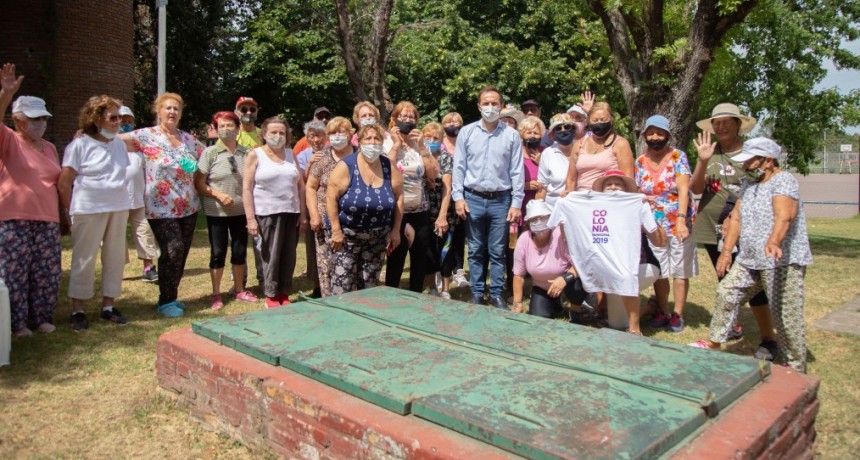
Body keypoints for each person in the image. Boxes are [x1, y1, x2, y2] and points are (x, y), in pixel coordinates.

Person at [689, 138, 812, 373]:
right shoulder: (748, 184)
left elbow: (784, 215)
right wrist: (726, 252)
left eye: (749, 162)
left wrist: (774, 241)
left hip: (782, 261)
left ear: (767, 161)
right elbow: (736, 217)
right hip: (749, 258)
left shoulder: (784, 180)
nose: (744, 166)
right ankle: (714, 342)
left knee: (786, 315)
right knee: (727, 292)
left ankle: (794, 367)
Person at [689, 103, 774, 353]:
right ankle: (731, 326)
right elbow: (695, 189)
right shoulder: (709, 152)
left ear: (739, 125)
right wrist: (703, 161)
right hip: (711, 227)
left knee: (752, 283)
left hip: (746, 229)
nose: (722, 126)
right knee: (725, 278)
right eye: (717, 122)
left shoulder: (752, 154)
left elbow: (764, 188)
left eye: (727, 121)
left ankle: (769, 339)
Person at [549, 170, 667, 335]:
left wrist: (649, 212)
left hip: (640, 266)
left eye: (618, 184)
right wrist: (567, 200)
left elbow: (661, 243)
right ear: (601, 189)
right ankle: (621, 307)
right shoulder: (591, 210)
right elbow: (568, 235)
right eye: (608, 184)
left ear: (625, 189)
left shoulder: (633, 206)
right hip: (608, 266)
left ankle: (637, 326)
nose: (613, 188)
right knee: (615, 322)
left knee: (625, 278)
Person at [120, 93, 202, 318]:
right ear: (159, 111)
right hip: (161, 207)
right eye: (168, 108)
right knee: (172, 249)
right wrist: (93, 134)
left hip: (189, 206)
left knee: (181, 253)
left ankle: (171, 296)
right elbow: (114, 141)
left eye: (176, 109)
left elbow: (207, 158)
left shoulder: (188, 140)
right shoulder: (146, 136)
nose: (172, 112)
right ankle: (165, 301)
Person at [58, 95, 132, 329]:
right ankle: (78, 310)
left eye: (120, 117)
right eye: (113, 117)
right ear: (96, 118)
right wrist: (69, 213)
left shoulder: (119, 144)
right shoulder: (79, 145)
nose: (118, 121)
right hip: (88, 209)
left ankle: (108, 306)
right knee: (84, 258)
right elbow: (64, 183)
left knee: (115, 257)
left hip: (118, 208)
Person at [0, 63, 62, 336]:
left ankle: (42, 317)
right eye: (34, 119)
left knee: (46, 271)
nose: (40, 124)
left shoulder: (49, 147)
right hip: (13, 217)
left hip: (47, 218)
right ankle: (16, 323)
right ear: (18, 120)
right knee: (14, 272)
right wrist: (5, 94)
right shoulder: (10, 140)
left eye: (43, 118)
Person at [452, 85, 524, 308]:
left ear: (501, 106)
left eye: (494, 103)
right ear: (479, 106)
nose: (490, 107)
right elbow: (459, 167)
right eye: (486, 103)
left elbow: (516, 171)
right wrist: (458, 197)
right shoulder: (467, 132)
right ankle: (476, 292)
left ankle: (496, 293)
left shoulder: (511, 135)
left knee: (498, 250)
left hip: (501, 200)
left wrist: (517, 202)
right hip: (472, 198)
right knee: (474, 249)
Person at [635, 115, 697, 333]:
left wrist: (681, 219)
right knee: (659, 270)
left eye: (659, 133)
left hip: (678, 221)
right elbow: (636, 190)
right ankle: (662, 310)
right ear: (644, 136)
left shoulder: (678, 157)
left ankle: (677, 313)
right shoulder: (640, 162)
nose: (655, 137)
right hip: (652, 225)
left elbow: (683, 189)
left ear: (668, 135)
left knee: (680, 269)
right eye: (650, 133)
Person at [326, 124, 403, 294]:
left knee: (370, 286)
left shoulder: (389, 166)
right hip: (346, 238)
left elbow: (399, 197)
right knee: (342, 284)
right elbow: (331, 198)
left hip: (377, 238)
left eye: (377, 138)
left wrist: (396, 229)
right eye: (368, 138)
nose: (373, 142)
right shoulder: (346, 165)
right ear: (359, 141)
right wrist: (336, 230)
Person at [195, 111, 258, 310]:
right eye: (221, 126)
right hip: (217, 212)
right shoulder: (209, 153)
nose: (226, 129)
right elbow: (199, 183)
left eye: (230, 125)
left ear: (238, 128)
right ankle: (216, 293)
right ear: (215, 129)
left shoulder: (247, 153)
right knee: (218, 252)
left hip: (241, 211)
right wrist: (218, 195)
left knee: (239, 252)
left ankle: (239, 289)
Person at [243, 117, 306, 308]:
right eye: (274, 132)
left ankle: (284, 291)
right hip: (267, 213)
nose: (278, 136)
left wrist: (303, 215)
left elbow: (301, 187)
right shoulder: (256, 155)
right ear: (264, 134)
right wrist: (251, 218)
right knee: (271, 254)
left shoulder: (290, 154)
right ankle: (271, 294)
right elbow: (246, 188)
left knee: (288, 254)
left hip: (291, 212)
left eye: (282, 132)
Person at [384, 101, 439, 293]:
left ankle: (416, 293)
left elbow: (433, 174)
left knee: (420, 256)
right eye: (404, 116)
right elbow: (384, 170)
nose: (408, 120)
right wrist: (397, 145)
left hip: (420, 208)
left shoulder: (420, 144)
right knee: (396, 257)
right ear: (394, 119)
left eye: (412, 117)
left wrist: (423, 148)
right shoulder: (385, 141)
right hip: (396, 210)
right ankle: (391, 292)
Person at [511, 200, 589, 320]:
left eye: (542, 217)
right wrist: (518, 304)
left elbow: (581, 264)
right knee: (538, 318)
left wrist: (565, 278)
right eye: (534, 219)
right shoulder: (523, 239)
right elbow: (518, 275)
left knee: (577, 285)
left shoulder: (561, 235)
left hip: (567, 282)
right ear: (528, 223)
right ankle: (555, 302)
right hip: (541, 286)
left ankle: (576, 310)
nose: (538, 222)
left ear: (550, 217)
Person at [305, 117, 355, 297]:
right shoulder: (322, 158)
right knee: (327, 266)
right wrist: (314, 215)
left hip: (353, 223)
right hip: (325, 223)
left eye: (342, 132)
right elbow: (310, 187)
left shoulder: (360, 156)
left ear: (351, 134)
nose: (338, 136)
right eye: (333, 133)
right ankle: (328, 300)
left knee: (350, 268)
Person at [119, 105, 159, 283]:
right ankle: (115, 268)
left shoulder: (138, 148)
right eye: (122, 121)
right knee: (115, 236)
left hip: (139, 199)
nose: (126, 125)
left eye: (129, 121)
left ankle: (148, 267)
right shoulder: (108, 146)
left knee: (144, 233)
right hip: (116, 201)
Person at [564, 101, 635, 192]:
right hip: (582, 199)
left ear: (611, 120)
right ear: (588, 121)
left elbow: (628, 179)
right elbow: (571, 179)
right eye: (595, 120)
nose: (599, 123)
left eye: (603, 120)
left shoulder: (620, 143)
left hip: (609, 197)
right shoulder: (579, 144)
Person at [232, 96, 265, 288]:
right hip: (236, 195)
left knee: (260, 243)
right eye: (243, 110)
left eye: (252, 109)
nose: (248, 113)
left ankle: (263, 279)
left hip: (259, 196)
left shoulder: (263, 135)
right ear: (236, 112)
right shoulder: (232, 134)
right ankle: (239, 281)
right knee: (237, 242)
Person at [422, 122, 456, 298]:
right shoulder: (418, 157)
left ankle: (446, 288)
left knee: (445, 250)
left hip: (444, 211)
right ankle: (431, 287)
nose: (431, 140)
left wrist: (442, 216)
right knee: (428, 250)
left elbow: (447, 188)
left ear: (441, 140)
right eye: (428, 137)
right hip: (423, 211)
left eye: (435, 138)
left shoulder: (445, 158)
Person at [295, 119, 328, 298]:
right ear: (307, 138)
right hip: (312, 206)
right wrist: (309, 164)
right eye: (312, 135)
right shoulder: (302, 156)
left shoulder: (332, 152)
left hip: (331, 205)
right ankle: (317, 284)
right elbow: (302, 183)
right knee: (314, 247)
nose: (316, 139)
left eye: (320, 135)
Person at [441, 112, 469, 287]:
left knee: (460, 233)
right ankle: (443, 269)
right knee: (444, 234)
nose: (453, 124)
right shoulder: (438, 144)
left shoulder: (465, 143)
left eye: (456, 121)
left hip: (462, 194)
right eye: (449, 121)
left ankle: (459, 271)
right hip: (442, 195)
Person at [537, 113, 578, 209]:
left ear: (574, 131)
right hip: (554, 208)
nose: (563, 131)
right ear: (552, 134)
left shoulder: (583, 149)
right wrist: (538, 210)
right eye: (558, 128)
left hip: (579, 207)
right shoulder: (547, 154)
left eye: (567, 127)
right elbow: (542, 187)